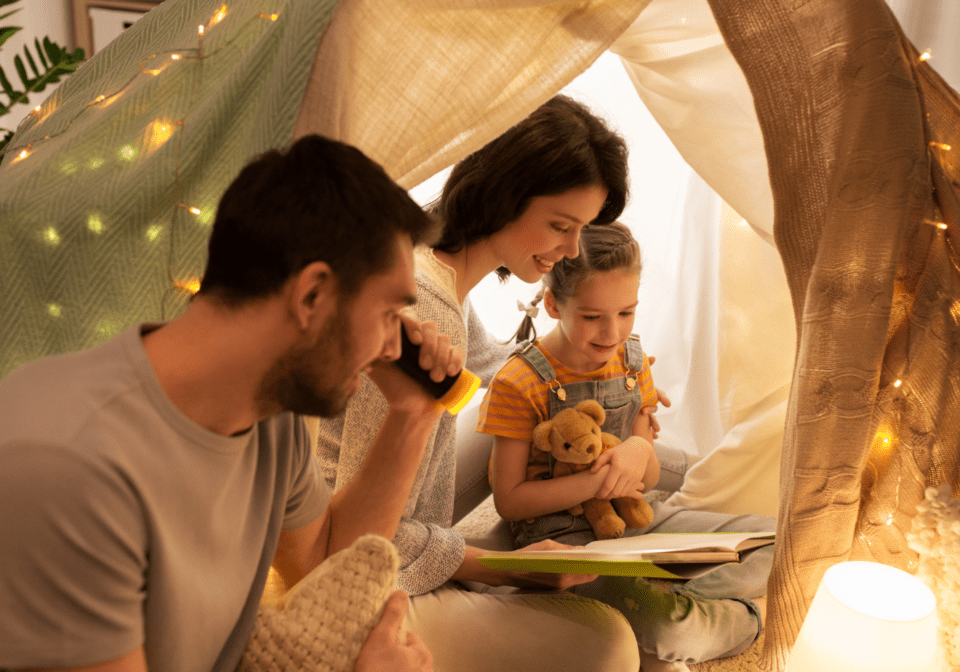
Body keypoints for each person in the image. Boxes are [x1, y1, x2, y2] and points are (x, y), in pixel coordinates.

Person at [0, 135, 461, 672]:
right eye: (388, 314)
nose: (392, 345)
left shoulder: (269, 416)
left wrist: (412, 415)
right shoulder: (68, 468)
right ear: (312, 295)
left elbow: (327, 562)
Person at [315, 94, 643, 671]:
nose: (571, 251)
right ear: (502, 196)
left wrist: (622, 411)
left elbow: (496, 371)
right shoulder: (427, 307)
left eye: (582, 229)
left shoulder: (422, 257)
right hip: (339, 582)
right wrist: (501, 566)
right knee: (611, 644)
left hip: (375, 521)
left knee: (518, 418)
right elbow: (362, 544)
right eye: (561, 227)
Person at [477, 221, 776, 671]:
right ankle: (750, 619)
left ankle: (672, 584)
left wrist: (640, 452)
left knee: (778, 542)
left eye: (626, 312)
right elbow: (510, 501)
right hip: (565, 544)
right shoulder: (517, 383)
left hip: (637, 518)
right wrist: (596, 482)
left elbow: (648, 480)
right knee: (669, 628)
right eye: (593, 316)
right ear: (555, 304)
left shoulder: (632, 360)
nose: (611, 333)